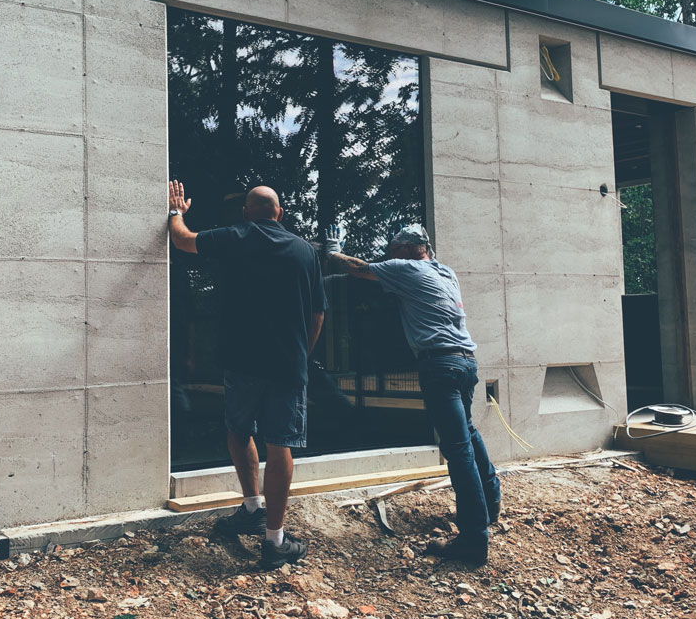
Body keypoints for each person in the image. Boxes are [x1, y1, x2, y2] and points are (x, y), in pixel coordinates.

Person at [167, 180, 326, 569]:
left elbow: (183, 241)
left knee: (239, 431)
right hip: (286, 363)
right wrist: (301, 354)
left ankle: (254, 508)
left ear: (246, 213)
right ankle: (272, 537)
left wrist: (176, 212)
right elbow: (318, 313)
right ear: (280, 214)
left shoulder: (236, 236)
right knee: (280, 442)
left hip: (241, 361)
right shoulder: (305, 251)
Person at [324, 222, 499, 567]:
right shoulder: (446, 272)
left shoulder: (406, 268)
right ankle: (490, 504)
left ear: (406, 250)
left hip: (440, 366)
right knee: (469, 432)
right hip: (466, 363)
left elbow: (356, 268)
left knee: (456, 448)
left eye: (393, 252)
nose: (390, 259)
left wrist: (331, 249)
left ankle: (474, 539)